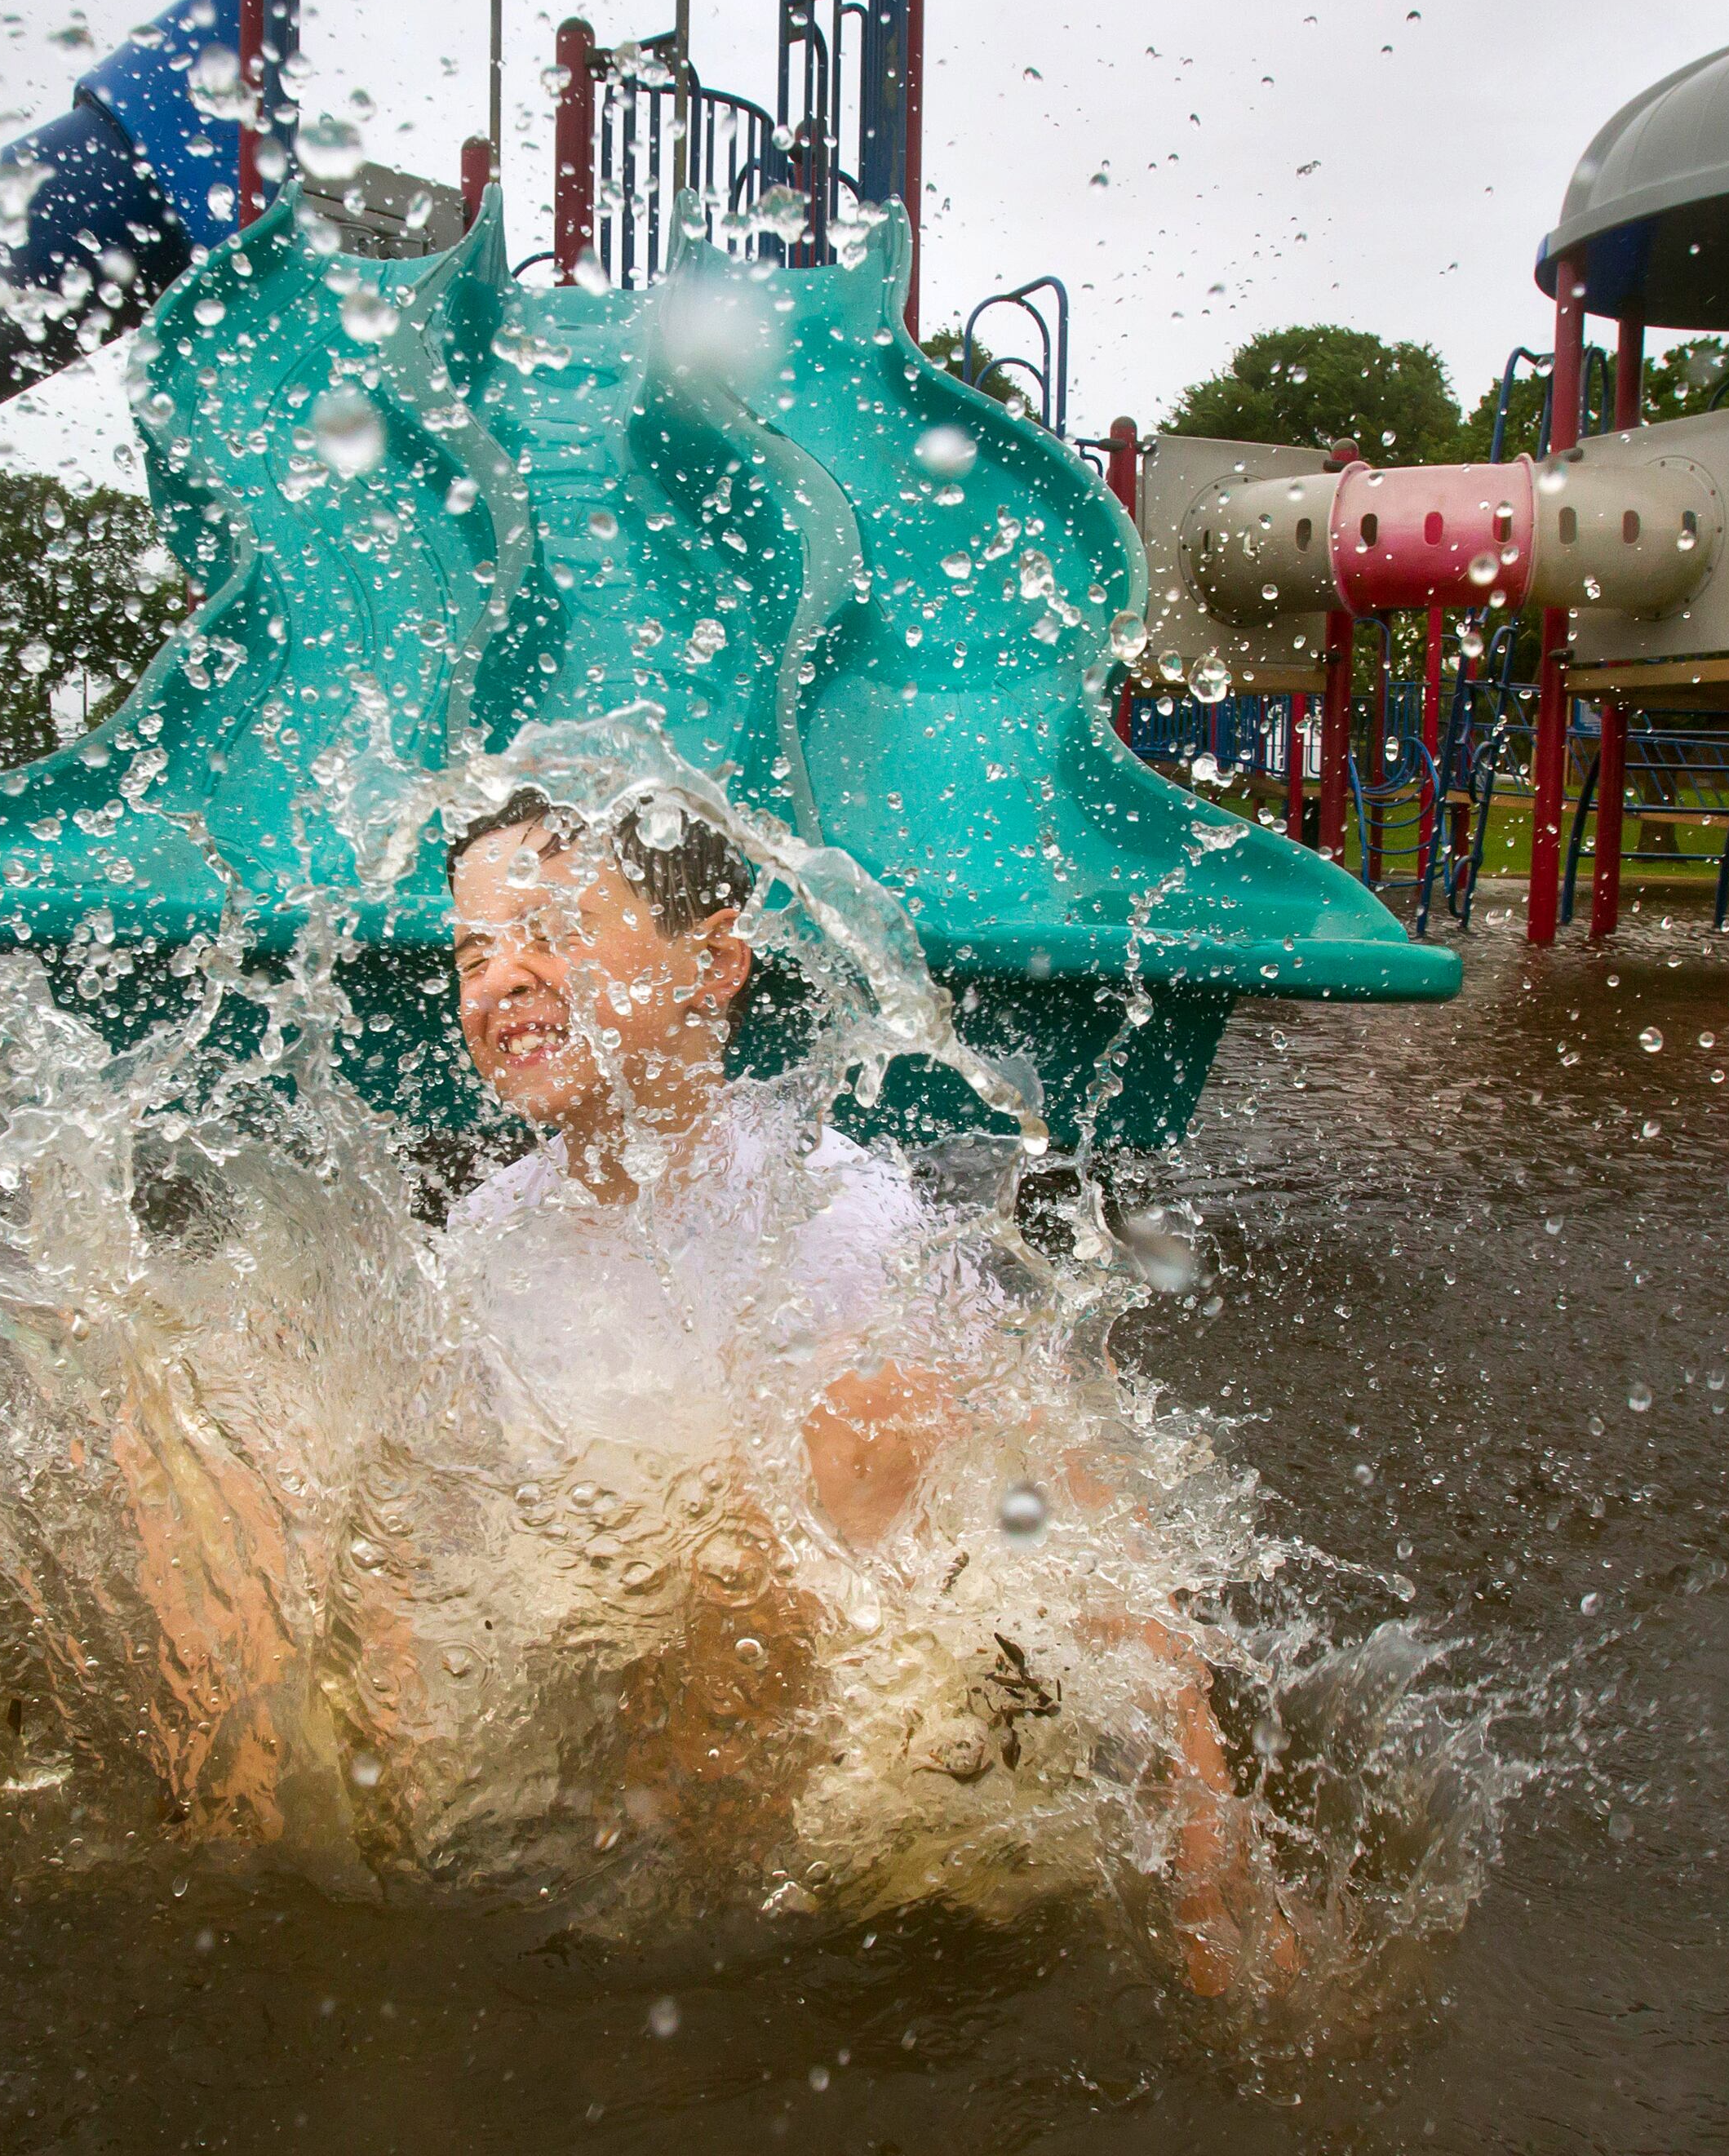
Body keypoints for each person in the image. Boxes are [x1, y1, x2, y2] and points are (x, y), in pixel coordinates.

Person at [432, 785, 1295, 1994]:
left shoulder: (833, 1216)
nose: (503, 979)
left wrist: (1208, 1845)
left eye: (554, 931)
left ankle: (672, 1921)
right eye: (472, 952)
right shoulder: (488, 1238)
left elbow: (1069, 1482)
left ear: (712, 961)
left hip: (868, 1741)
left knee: (826, 1453)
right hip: (617, 1709)